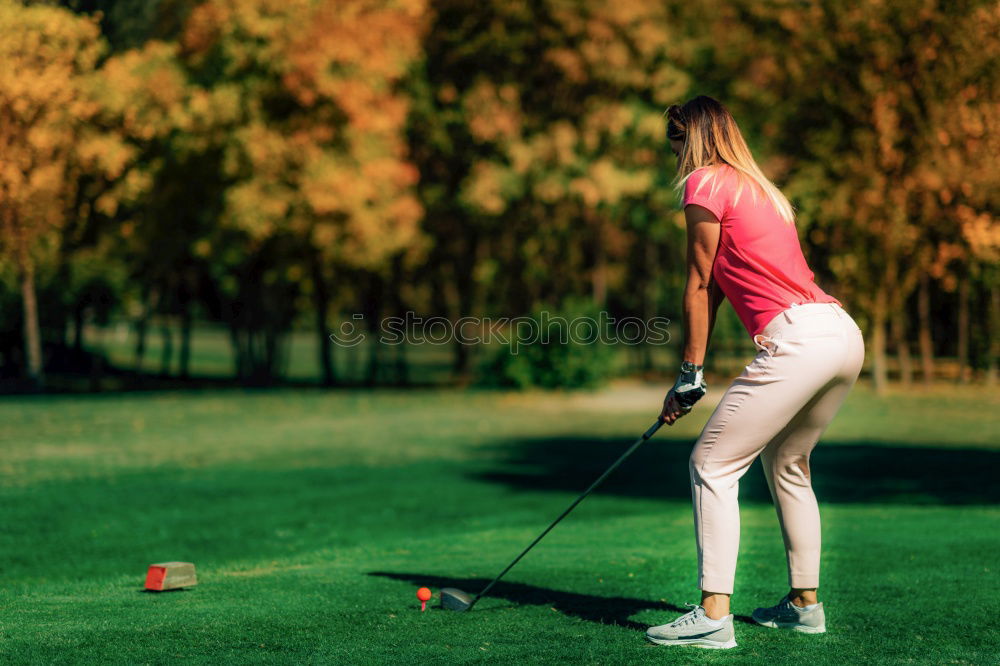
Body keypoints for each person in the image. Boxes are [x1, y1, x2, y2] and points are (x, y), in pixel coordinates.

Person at [644, 96, 865, 650]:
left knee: (711, 464)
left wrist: (689, 372)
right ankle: (803, 606)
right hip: (840, 332)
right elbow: (719, 285)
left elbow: (698, 283)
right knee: (788, 463)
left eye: (675, 139)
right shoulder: (761, 189)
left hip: (799, 340)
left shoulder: (704, 184)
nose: (671, 151)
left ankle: (714, 614)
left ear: (690, 137)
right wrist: (690, 377)